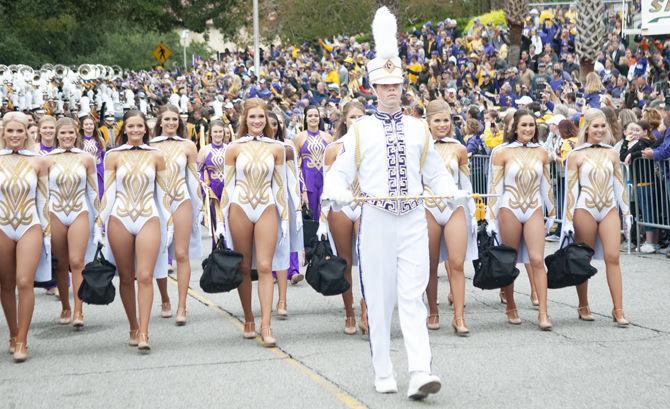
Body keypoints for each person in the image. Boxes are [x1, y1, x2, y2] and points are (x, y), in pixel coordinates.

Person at [321, 7, 468, 399]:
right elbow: (339, 173)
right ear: (372, 88)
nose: (391, 91)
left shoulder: (420, 128)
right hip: (377, 219)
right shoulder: (360, 130)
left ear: (403, 86)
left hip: (412, 220)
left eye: (396, 85)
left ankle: (420, 370)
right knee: (381, 297)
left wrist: (452, 190)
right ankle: (383, 369)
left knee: (413, 295)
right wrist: (335, 191)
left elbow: (435, 174)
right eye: (384, 86)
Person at [97, 110, 173, 351]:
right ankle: (132, 325)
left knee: (146, 275)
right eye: (131, 126)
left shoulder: (157, 156)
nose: (136, 130)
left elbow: (163, 195)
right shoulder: (113, 156)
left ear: (146, 129)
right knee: (127, 276)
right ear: (124, 129)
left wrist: (168, 222)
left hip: (148, 216)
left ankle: (144, 331)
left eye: (140, 126)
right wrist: (100, 223)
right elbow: (108, 193)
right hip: (119, 217)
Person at [217, 98, 289, 347]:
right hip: (240, 206)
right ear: (244, 121)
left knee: (266, 265)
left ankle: (266, 324)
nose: (257, 121)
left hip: (267, 206)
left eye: (261, 117)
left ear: (267, 120)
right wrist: (220, 219)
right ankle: (248, 317)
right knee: (244, 266)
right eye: (252, 117)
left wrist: (286, 219)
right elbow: (227, 186)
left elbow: (280, 186)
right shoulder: (233, 148)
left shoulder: (277, 148)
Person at [486, 109, 555, 331]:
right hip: (509, 207)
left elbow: (547, 185)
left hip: (533, 207)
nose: (527, 129)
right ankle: (511, 306)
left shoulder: (542, 152)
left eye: (531, 125)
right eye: (523, 125)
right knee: (510, 259)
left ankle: (543, 312)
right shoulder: (501, 152)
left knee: (537, 259)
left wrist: (553, 213)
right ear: (515, 128)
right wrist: (490, 216)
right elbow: (495, 187)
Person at [561, 108, 631, 326]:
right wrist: (567, 220)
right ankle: (583, 304)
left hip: (609, 208)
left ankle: (618, 309)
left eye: (603, 126)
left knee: (613, 257)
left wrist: (626, 212)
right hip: (585, 209)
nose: (600, 130)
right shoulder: (576, 155)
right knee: (584, 259)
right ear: (587, 128)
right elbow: (570, 190)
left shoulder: (612, 153)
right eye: (595, 126)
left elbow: (619, 185)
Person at [0, 112, 51, 362]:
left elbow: (43, 200)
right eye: (10, 131)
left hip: (30, 224)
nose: (14, 136)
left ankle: (22, 339)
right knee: (6, 283)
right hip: (2, 226)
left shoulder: (38, 161)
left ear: (26, 133)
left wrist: (47, 233)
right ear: (3, 134)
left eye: (19, 131)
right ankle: (11, 333)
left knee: (24, 281)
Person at [423, 99, 477, 335]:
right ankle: (433, 311)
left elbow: (465, 183)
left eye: (446, 120)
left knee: (456, 263)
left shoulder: (459, 148)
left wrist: (473, 212)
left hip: (454, 207)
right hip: (428, 207)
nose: (442, 124)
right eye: (437, 120)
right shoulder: (420, 147)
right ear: (428, 122)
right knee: (430, 264)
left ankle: (459, 316)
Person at [318, 100, 368, 335]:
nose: (356, 122)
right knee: (344, 261)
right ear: (344, 121)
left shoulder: (373, 145)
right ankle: (349, 312)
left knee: (369, 258)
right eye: (352, 118)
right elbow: (327, 186)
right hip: (341, 206)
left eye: (361, 117)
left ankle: (367, 308)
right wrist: (321, 217)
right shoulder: (333, 149)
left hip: (366, 204)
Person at [150, 105, 203, 326]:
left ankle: (182, 305)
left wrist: (198, 207)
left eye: (174, 120)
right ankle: (164, 299)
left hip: (181, 200)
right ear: (160, 122)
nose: (171, 123)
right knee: (159, 253)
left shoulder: (188, 146)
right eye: (167, 119)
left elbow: (193, 180)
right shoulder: (150, 146)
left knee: (181, 254)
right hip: (157, 203)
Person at [47, 117, 99, 328]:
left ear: (76, 134)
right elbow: (42, 192)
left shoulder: (86, 158)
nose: (67, 137)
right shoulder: (47, 159)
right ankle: (65, 307)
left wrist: (98, 219)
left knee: (77, 261)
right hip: (55, 212)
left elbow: (93, 190)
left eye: (71, 133)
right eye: (63, 133)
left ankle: (79, 309)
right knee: (61, 263)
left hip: (79, 211)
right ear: (56, 135)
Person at [266, 111, 301, 318]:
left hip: (282, 199)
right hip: (260, 199)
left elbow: (293, 174)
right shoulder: (249, 145)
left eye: (274, 124)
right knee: (265, 252)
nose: (270, 126)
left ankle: (282, 300)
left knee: (283, 246)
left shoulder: (285, 147)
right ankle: (267, 299)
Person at [619, 120, 659, 253]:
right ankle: (649, 241)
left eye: (638, 130)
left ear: (645, 132)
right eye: (633, 130)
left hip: (647, 182)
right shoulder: (639, 143)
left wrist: (633, 154)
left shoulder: (645, 142)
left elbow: (629, 154)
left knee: (649, 213)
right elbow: (623, 156)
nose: (634, 133)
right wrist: (626, 143)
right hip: (639, 182)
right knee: (644, 212)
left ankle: (651, 242)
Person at [293, 105, 332, 218]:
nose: (313, 118)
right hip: (307, 181)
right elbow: (296, 166)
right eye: (310, 115)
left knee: (326, 214)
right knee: (311, 216)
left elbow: (332, 164)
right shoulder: (298, 138)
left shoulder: (328, 137)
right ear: (305, 118)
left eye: (316, 115)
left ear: (320, 118)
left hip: (325, 181)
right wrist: (302, 189)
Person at [197, 120, 228, 246]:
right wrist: (203, 184)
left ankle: (228, 253)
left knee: (227, 223)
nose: (218, 134)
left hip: (227, 190)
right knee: (216, 223)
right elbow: (198, 171)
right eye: (215, 132)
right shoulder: (204, 150)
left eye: (220, 131)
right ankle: (217, 255)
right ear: (211, 133)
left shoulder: (229, 149)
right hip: (212, 190)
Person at [79, 115, 106, 199]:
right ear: (82, 127)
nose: (89, 126)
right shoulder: (78, 140)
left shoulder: (100, 139)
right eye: (86, 124)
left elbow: (104, 156)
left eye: (91, 124)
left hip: (99, 170)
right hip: (85, 170)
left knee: (100, 193)